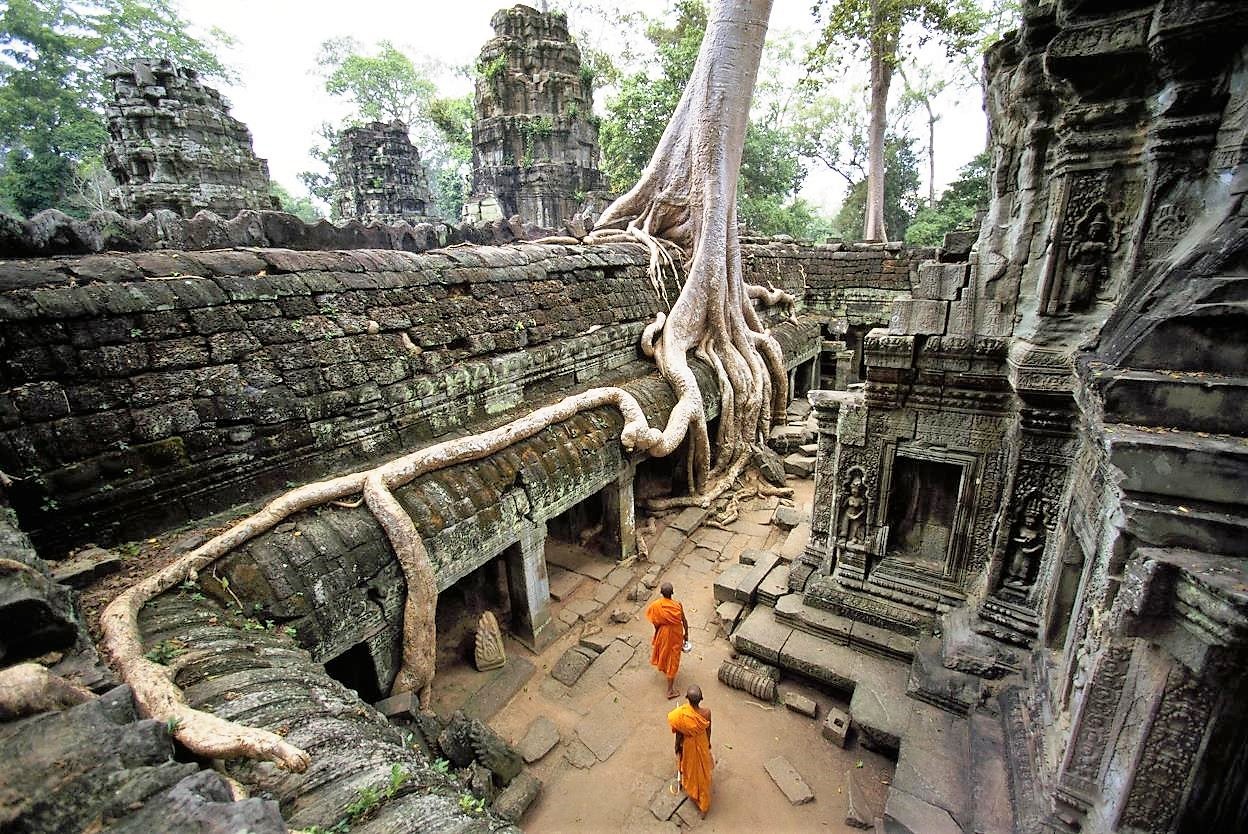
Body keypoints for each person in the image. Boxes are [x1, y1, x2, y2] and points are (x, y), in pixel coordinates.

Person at [669, 685, 713, 817]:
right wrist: (708, 743)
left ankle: (691, 789)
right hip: (702, 741)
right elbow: (708, 730)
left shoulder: (681, 714)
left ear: (687, 698)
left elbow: (678, 734)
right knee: (702, 772)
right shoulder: (707, 713)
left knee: (690, 768)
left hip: (688, 745)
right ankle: (703, 805)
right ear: (701, 699)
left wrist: (677, 747)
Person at [646, 582, 689, 699]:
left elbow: (655, 622)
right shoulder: (678, 605)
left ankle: (666, 669)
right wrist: (687, 635)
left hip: (663, 633)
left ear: (661, 593)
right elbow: (684, 621)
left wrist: (657, 632)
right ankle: (670, 690)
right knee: (673, 658)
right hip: (676, 634)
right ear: (672, 593)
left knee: (664, 652)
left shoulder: (656, 605)